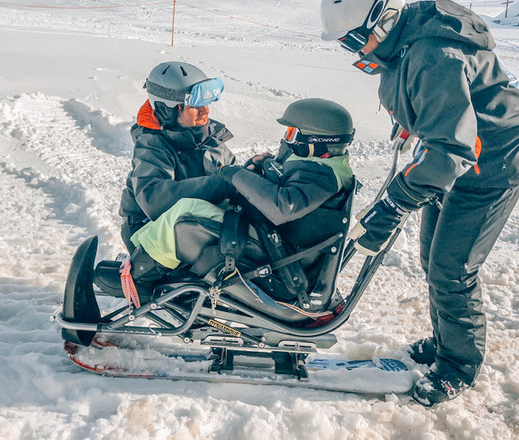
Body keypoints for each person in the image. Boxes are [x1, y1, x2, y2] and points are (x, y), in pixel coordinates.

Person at [320, 0, 519, 406]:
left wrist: (395, 203)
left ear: (384, 17)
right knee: (430, 258)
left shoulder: (433, 55)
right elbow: (439, 119)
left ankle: (458, 366)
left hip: (492, 164)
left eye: (356, 40)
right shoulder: (406, 43)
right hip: (459, 154)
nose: (354, 52)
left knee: (452, 269)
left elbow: (451, 152)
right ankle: (444, 344)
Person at [96, 98, 356, 310]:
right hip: (275, 246)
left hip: (279, 264)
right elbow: (288, 192)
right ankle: (153, 262)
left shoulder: (321, 175)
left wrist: (234, 174)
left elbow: (283, 205)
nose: (285, 139)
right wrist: (262, 169)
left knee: (185, 217)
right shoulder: (325, 168)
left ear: (315, 140)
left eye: (291, 133)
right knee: (206, 209)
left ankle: (140, 277)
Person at [114, 60, 236, 257]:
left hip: (192, 223)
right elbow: (154, 199)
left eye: (206, 103)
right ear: (167, 109)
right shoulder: (152, 144)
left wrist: (249, 173)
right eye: (195, 106)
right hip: (149, 232)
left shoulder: (210, 137)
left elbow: (230, 177)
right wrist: (218, 184)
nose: (205, 111)